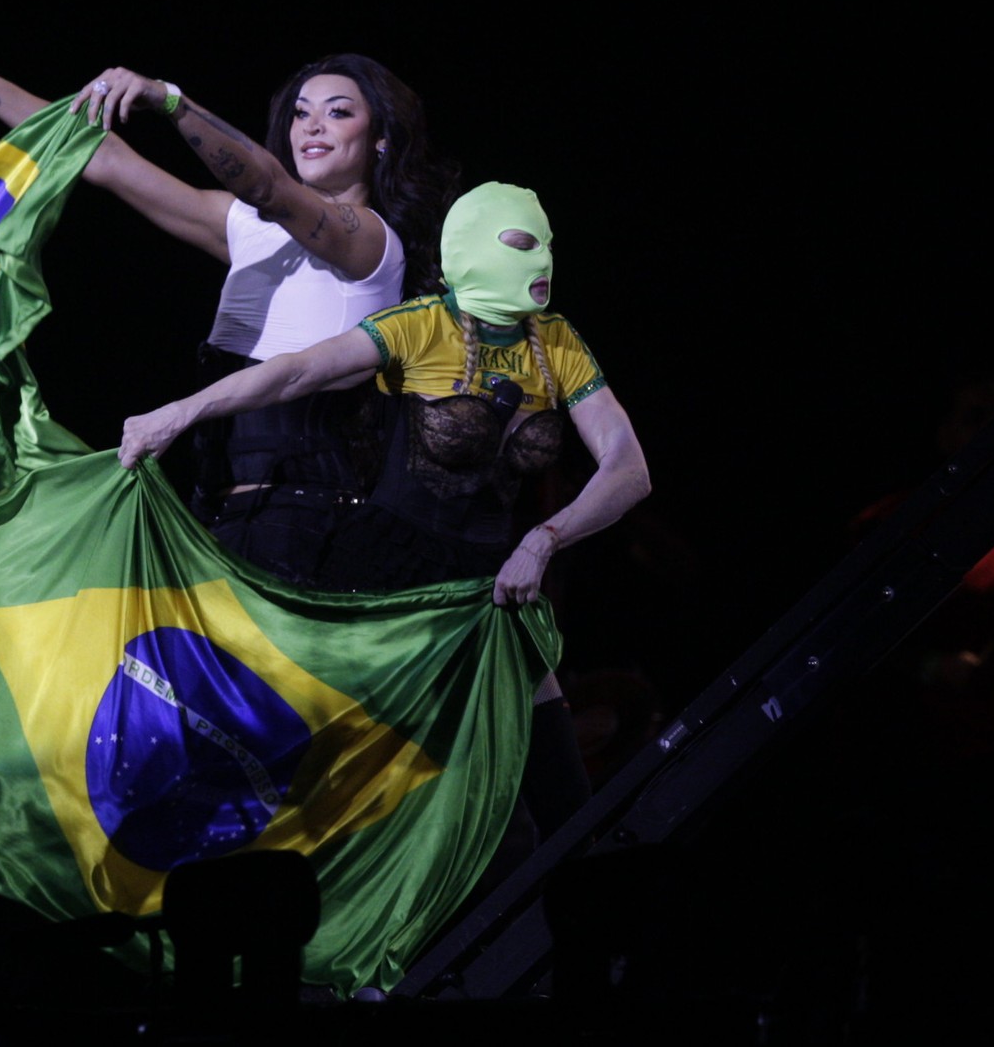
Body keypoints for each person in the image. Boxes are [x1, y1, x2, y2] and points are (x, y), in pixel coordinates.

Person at [120, 180, 652, 849]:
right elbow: (294, 373)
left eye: (545, 244)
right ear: (474, 248)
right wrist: (180, 412)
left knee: (567, 806)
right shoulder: (422, 323)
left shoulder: (558, 343)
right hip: (388, 583)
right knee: (375, 810)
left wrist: (545, 539)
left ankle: (590, 948)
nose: (539, 260)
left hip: (490, 592)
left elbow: (629, 471)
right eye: (521, 242)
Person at [0, 55, 460, 584]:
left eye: (338, 113)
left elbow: (268, 187)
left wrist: (169, 100)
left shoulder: (375, 245)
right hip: (220, 508)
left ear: (380, 140)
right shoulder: (245, 227)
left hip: (305, 521)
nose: (312, 125)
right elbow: (101, 159)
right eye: (302, 112)